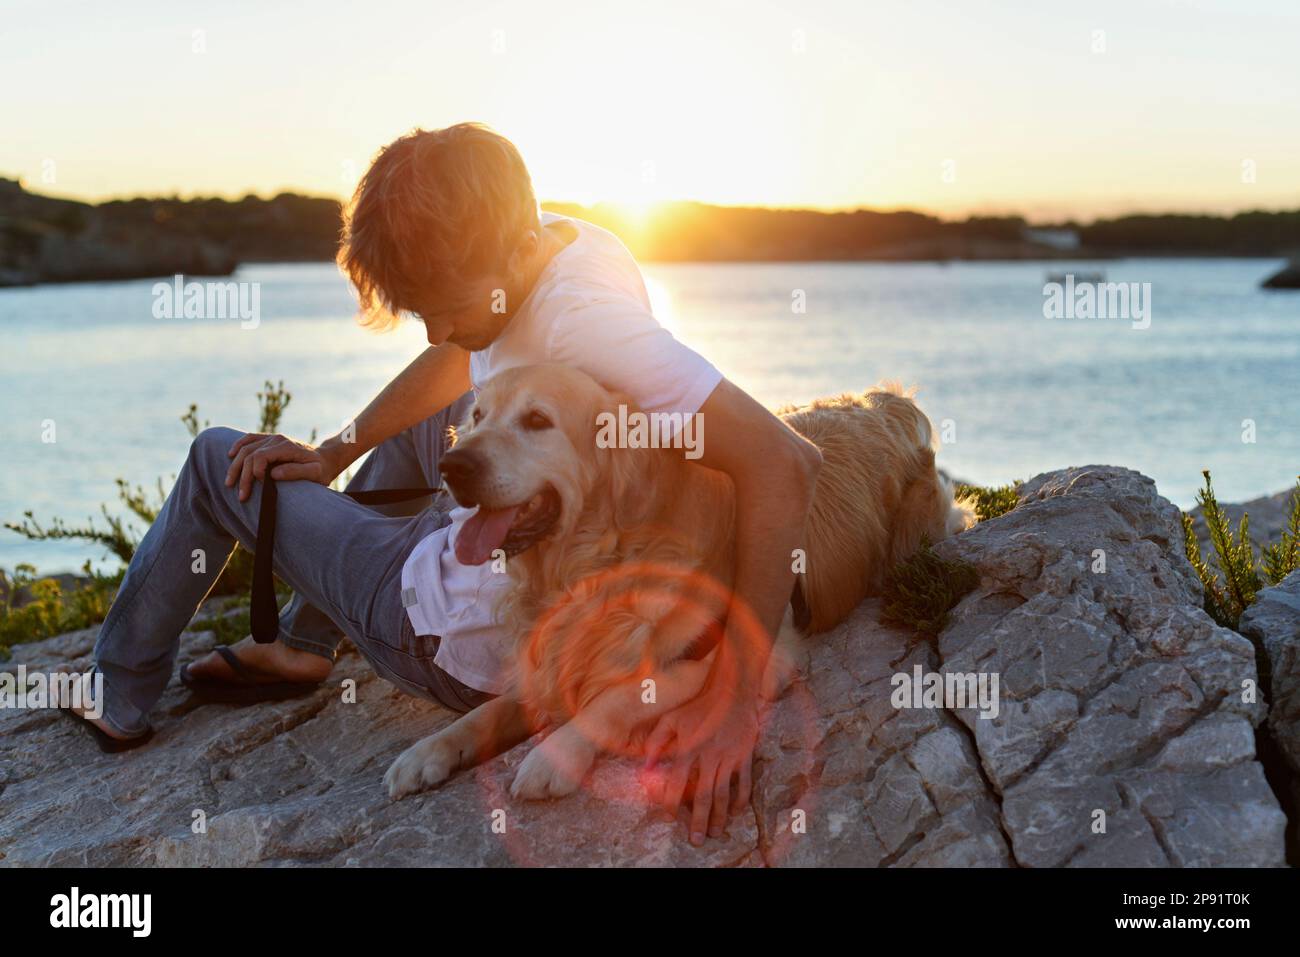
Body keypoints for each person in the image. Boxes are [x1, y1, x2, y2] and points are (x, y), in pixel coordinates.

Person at [68, 123, 822, 845]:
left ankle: (118, 694)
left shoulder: (582, 324)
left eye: (445, 310)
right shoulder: (563, 241)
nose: (434, 331)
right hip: (543, 560)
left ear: (510, 252)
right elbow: (468, 355)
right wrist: (334, 451)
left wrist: (736, 696)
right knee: (448, 415)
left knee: (214, 459)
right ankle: (303, 640)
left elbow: (785, 460)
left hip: (446, 635)